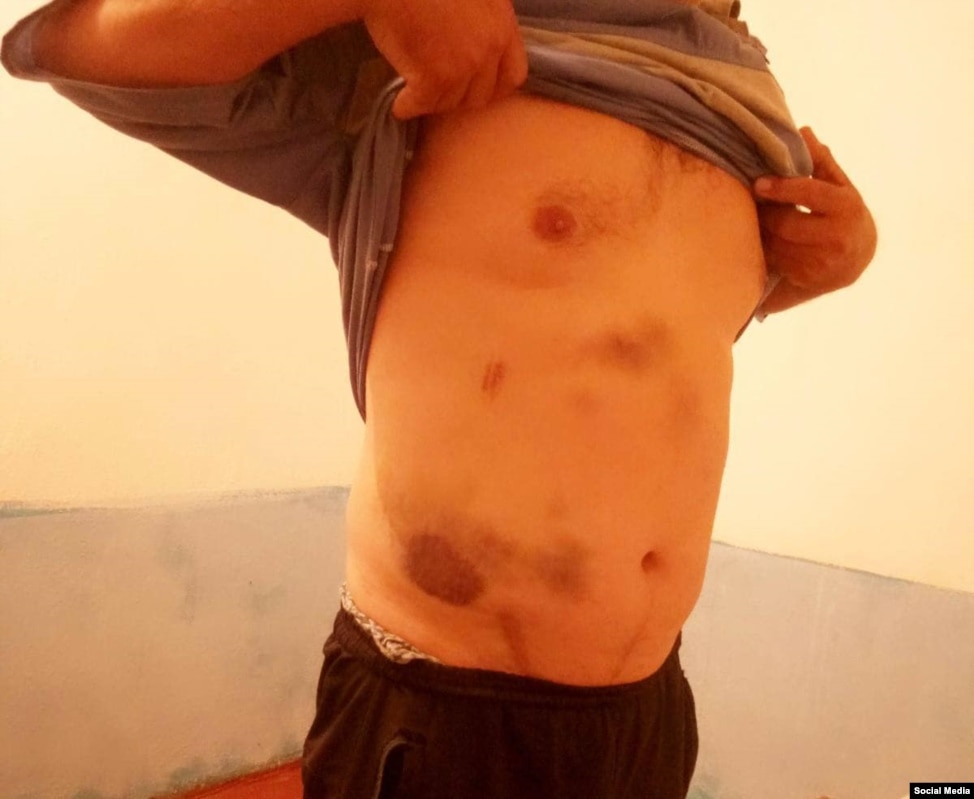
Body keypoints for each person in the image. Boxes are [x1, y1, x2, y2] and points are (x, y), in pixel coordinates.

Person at [2, 0, 877, 796]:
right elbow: (68, 43)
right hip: (444, 709)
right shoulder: (449, 39)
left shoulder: (748, 115)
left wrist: (825, 268)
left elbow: (630, 343)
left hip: (645, 710)